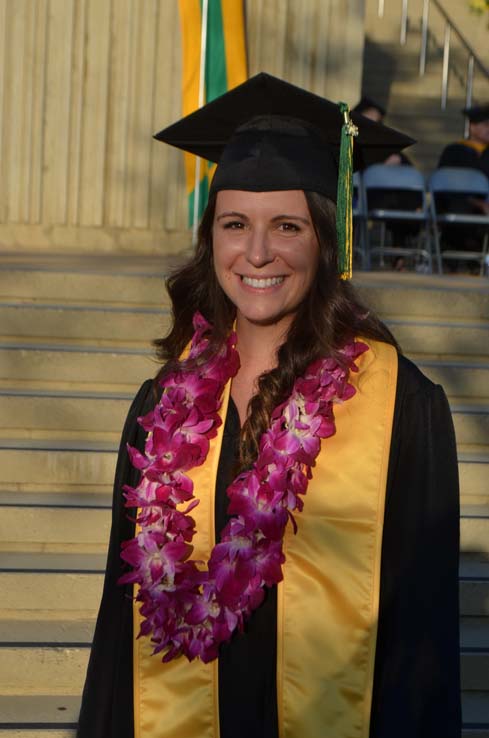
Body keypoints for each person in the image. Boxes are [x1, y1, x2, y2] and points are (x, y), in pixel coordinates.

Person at [77, 73, 461, 738]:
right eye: (235, 225)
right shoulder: (163, 403)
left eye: (287, 226)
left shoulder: (400, 403)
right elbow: (122, 630)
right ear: (211, 240)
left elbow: (419, 634)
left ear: (323, 241)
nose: (256, 253)